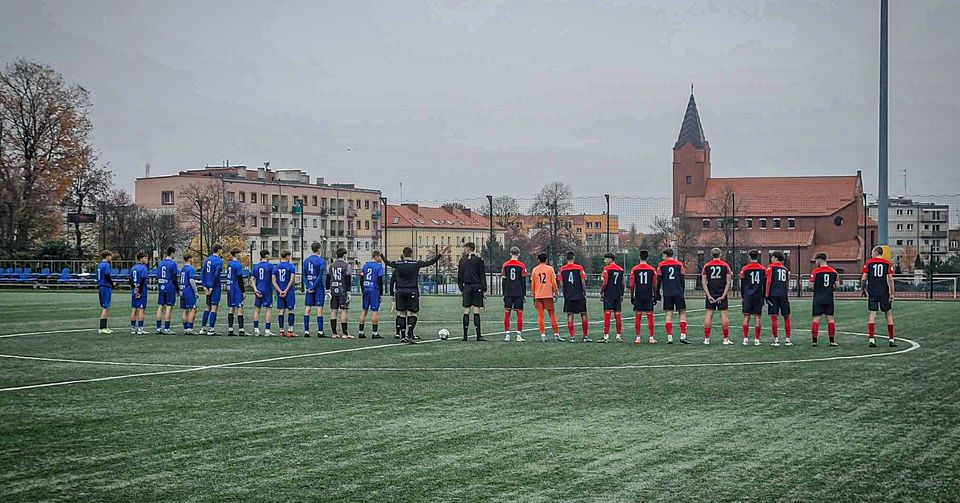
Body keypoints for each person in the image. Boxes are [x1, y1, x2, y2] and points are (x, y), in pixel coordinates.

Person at [384, 245, 449, 344]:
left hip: (400, 291)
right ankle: (409, 333)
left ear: (403, 254)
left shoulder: (398, 264)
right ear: (411, 254)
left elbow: (387, 262)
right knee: (412, 312)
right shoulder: (416, 263)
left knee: (401, 313)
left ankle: (402, 336)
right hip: (412, 291)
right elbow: (430, 262)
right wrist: (440, 253)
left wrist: (381, 254)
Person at [861, 246, 897, 348]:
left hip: (872, 291)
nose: (871, 254)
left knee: (872, 314)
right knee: (888, 315)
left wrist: (862, 289)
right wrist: (892, 293)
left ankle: (872, 339)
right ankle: (891, 339)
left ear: (876, 252)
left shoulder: (869, 263)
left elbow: (864, 278)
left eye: (872, 252)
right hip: (884, 292)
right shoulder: (887, 263)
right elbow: (890, 278)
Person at [657, 248, 690, 344]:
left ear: (665, 255)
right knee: (682, 312)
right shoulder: (679, 264)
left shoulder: (661, 265)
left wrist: (657, 293)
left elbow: (658, 280)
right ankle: (683, 336)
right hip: (678, 292)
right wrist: (682, 291)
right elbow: (682, 278)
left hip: (667, 292)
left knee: (668, 313)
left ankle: (669, 337)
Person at [700, 248, 732, 345]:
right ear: (720, 254)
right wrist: (723, 295)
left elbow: (703, 282)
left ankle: (706, 339)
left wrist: (708, 295)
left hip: (711, 293)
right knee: (724, 316)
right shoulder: (725, 266)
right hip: (722, 293)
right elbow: (728, 282)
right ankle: (726, 339)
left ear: (711, 255)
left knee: (709, 315)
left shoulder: (706, 266)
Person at [458, 242, 487, 341]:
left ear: (469, 249)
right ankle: (478, 335)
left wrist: (461, 288)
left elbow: (460, 276)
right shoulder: (479, 260)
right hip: (477, 287)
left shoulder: (462, 261)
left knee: (466, 310)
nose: (464, 250)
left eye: (465, 248)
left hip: (466, 287)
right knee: (476, 310)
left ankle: (465, 336)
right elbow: (482, 275)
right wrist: (484, 289)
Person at [810, 252, 840, 347]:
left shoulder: (815, 272)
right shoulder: (834, 272)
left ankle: (814, 341)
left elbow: (810, 286)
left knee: (816, 319)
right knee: (830, 319)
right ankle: (832, 341)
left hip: (818, 298)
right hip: (829, 298)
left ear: (819, 260)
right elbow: (838, 285)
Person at [559, 251, 589, 343]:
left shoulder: (562, 269)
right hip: (579, 294)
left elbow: (561, 283)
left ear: (566, 258)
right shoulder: (579, 268)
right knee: (583, 314)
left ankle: (572, 337)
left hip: (569, 295)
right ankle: (585, 336)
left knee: (570, 315)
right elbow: (583, 281)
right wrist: (584, 292)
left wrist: (565, 292)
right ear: (574, 258)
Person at [530, 252, 561, 342]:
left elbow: (533, 283)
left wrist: (533, 294)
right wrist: (556, 291)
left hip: (538, 295)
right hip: (548, 295)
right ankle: (556, 334)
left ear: (538, 260)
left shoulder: (535, 270)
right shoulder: (550, 269)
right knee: (552, 315)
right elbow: (553, 282)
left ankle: (543, 335)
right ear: (546, 259)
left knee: (540, 315)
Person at [629, 250, 658, 344]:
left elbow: (632, 285)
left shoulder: (634, 269)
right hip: (648, 295)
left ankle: (637, 337)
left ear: (639, 257)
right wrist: (655, 295)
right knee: (650, 316)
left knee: (638, 316)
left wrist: (632, 296)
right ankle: (651, 337)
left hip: (638, 295)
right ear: (648, 258)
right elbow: (655, 284)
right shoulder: (652, 269)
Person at [740, 249, 767, 346]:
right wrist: (764, 296)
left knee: (746, 316)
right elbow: (764, 283)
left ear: (749, 257)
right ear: (758, 257)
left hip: (748, 295)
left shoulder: (745, 269)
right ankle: (757, 340)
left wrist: (743, 296)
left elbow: (742, 284)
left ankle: (745, 339)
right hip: (758, 295)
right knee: (758, 317)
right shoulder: (763, 269)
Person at [766, 251, 792, 346]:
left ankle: (776, 340)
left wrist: (766, 294)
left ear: (776, 258)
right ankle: (788, 339)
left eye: (772, 257)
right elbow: (787, 283)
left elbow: (768, 281)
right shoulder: (785, 269)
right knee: (786, 316)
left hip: (773, 294)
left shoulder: (770, 267)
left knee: (774, 317)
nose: (771, 259)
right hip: (783, 295)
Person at [501, 246, 527, 342]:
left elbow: (503, 280)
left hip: (508, 292)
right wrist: (523, 295)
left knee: (507, 313)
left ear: (510, 254)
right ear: (519, 254)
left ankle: (507, 335)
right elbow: (523, 281)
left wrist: (504, 293)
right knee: (519, 314)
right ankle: (518, 335)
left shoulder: (505, 265)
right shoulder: (522, 265)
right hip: (518, 292)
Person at [359, 251, 386, 339]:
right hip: (374, 289)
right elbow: (380, 281)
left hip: (366, 288)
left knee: (364, 310)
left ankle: (361, 332)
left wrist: (363, 290)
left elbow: (361, 279)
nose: (381, 259)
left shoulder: (365, 266)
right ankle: (374, 333)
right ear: (376, 256)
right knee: (375, 311)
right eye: (380, 257)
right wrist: (381, 294)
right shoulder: (379, 267)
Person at [302, 242, 327, 338]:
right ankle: (320, 332)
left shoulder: (306, 261)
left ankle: (306, 331)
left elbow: (304, 276)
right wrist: (314, 287)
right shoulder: (321, 261)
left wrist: (308, 286)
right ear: (319, 249)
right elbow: (320, 276)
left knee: (308, 307)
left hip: (309, 286)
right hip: (318, 287)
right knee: (319, 308)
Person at [599, 252, 625, 343]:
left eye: (605, 259)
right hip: (617, 294)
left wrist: (601, 291)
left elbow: (605, 282)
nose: (604, 261)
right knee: (617, 314)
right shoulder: (620, 269)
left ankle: (606, 336)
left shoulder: (606, 269)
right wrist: (622, 294)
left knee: (607, 314)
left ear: (610, 259)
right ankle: (618, 336)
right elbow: (622, 284)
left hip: (609, 294)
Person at [327, 248, 352, 338]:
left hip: (333, 289)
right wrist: (349, 291)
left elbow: (328, 278)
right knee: (344, 310)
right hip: (342, 290)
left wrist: (327, 290)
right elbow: (348, 279)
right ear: (344, 255)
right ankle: (345, 333)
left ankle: (334, 333)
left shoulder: (331, 265)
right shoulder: (346, 265)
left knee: (334, 310)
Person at [200, 244, 224, 335]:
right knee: (214, 307)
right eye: (221, 250)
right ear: (218, 250)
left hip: (207, 285)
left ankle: (203, 328)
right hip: (215, 286)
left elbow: (203, 273)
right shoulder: (219, 261)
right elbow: (217, 274)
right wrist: (211, 287)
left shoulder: (207, 260)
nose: (222, 251)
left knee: (207, 307)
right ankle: (211, 329)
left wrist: (204, 286)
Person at [273, 250, 298, 337]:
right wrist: (286, 290)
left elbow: (274, 281)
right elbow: (292, 280)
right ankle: (290, 331)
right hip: (289, 291)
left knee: (281, 310)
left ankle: (281, 330)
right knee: (291, 310)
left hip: (279, 291)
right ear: (287, 256)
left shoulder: (276, 267)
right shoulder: (291, 267)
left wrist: (280, 291)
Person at [154, 246, 179, 335]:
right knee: (169, 307)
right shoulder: (173, 264)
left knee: (160, 306)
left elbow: (158, 276)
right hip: (169, 287)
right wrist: (177, 289)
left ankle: (158, 328)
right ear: (172, 253)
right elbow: (174, 277)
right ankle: (167, 329)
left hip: (161, 287)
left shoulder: (160, 263)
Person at [251, 250, 274, 336]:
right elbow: (273, 279)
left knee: (257, 309)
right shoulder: (270, 266)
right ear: (266, 255)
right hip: (267, 289)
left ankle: (256, 330)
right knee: (268, 309)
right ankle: (267, 331)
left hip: (258, 289)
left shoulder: (256, 266)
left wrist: (255, 289)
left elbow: (252, 279)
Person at [225, 247, 246, 336]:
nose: (241, 255)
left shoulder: (229, 263)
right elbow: (239, 278)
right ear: (236, 254)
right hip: (236, 288)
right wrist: (243, 291)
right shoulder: (238, 264)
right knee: (240, 308)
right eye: (240, 253)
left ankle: (230, 329)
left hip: (230, 287)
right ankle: (241, 330)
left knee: (231, 308)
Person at [96, 250, 117, 334]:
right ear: (107, 256)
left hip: (101, 285)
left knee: (106, 306)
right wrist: (113, 284)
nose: (111, 258)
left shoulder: (99, 265)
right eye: (110, 256)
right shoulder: (106, 265)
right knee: (106, 306)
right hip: (105, 286)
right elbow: (107, 275)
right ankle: (102, 327)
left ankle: (104, 326)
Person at [129, 252, 149, 335]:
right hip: (142, 291)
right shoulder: (143, 268)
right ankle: (140, 329)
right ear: (140, 259)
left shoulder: (133, 267)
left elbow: (130, 280)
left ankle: (133, 329)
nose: (146, 260)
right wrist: (140, 291)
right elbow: (143, 280)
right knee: (141, 309)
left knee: (134, 308)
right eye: (145, 258)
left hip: (134, 291)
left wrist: (135, 288)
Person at [179, 254, 198, 334]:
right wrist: (196, 291)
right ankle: (190, 328)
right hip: (188, 291)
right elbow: (191, 281)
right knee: (193, 309)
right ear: (189, 259)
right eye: (192, 258)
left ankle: (185, 328)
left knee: (185, 309)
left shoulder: (183, 269)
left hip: (182, 290)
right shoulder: (190, 268)